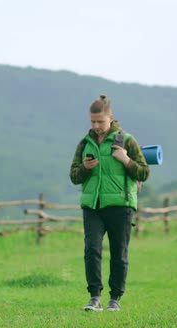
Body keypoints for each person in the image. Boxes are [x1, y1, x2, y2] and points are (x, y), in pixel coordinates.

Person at [69, 94, 149, 312]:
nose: (96, 126)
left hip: (120, 206)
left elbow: (144, 172)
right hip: (92, 206)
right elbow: (73, 176)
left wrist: (126, 160)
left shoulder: (127, 140)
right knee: (91, 250)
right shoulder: (84, 143)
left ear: (111, 118)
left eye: (100, 121)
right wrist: (85, 168)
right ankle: (94, 297)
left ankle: (115, 299)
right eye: (92, 121)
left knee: (118, 252)